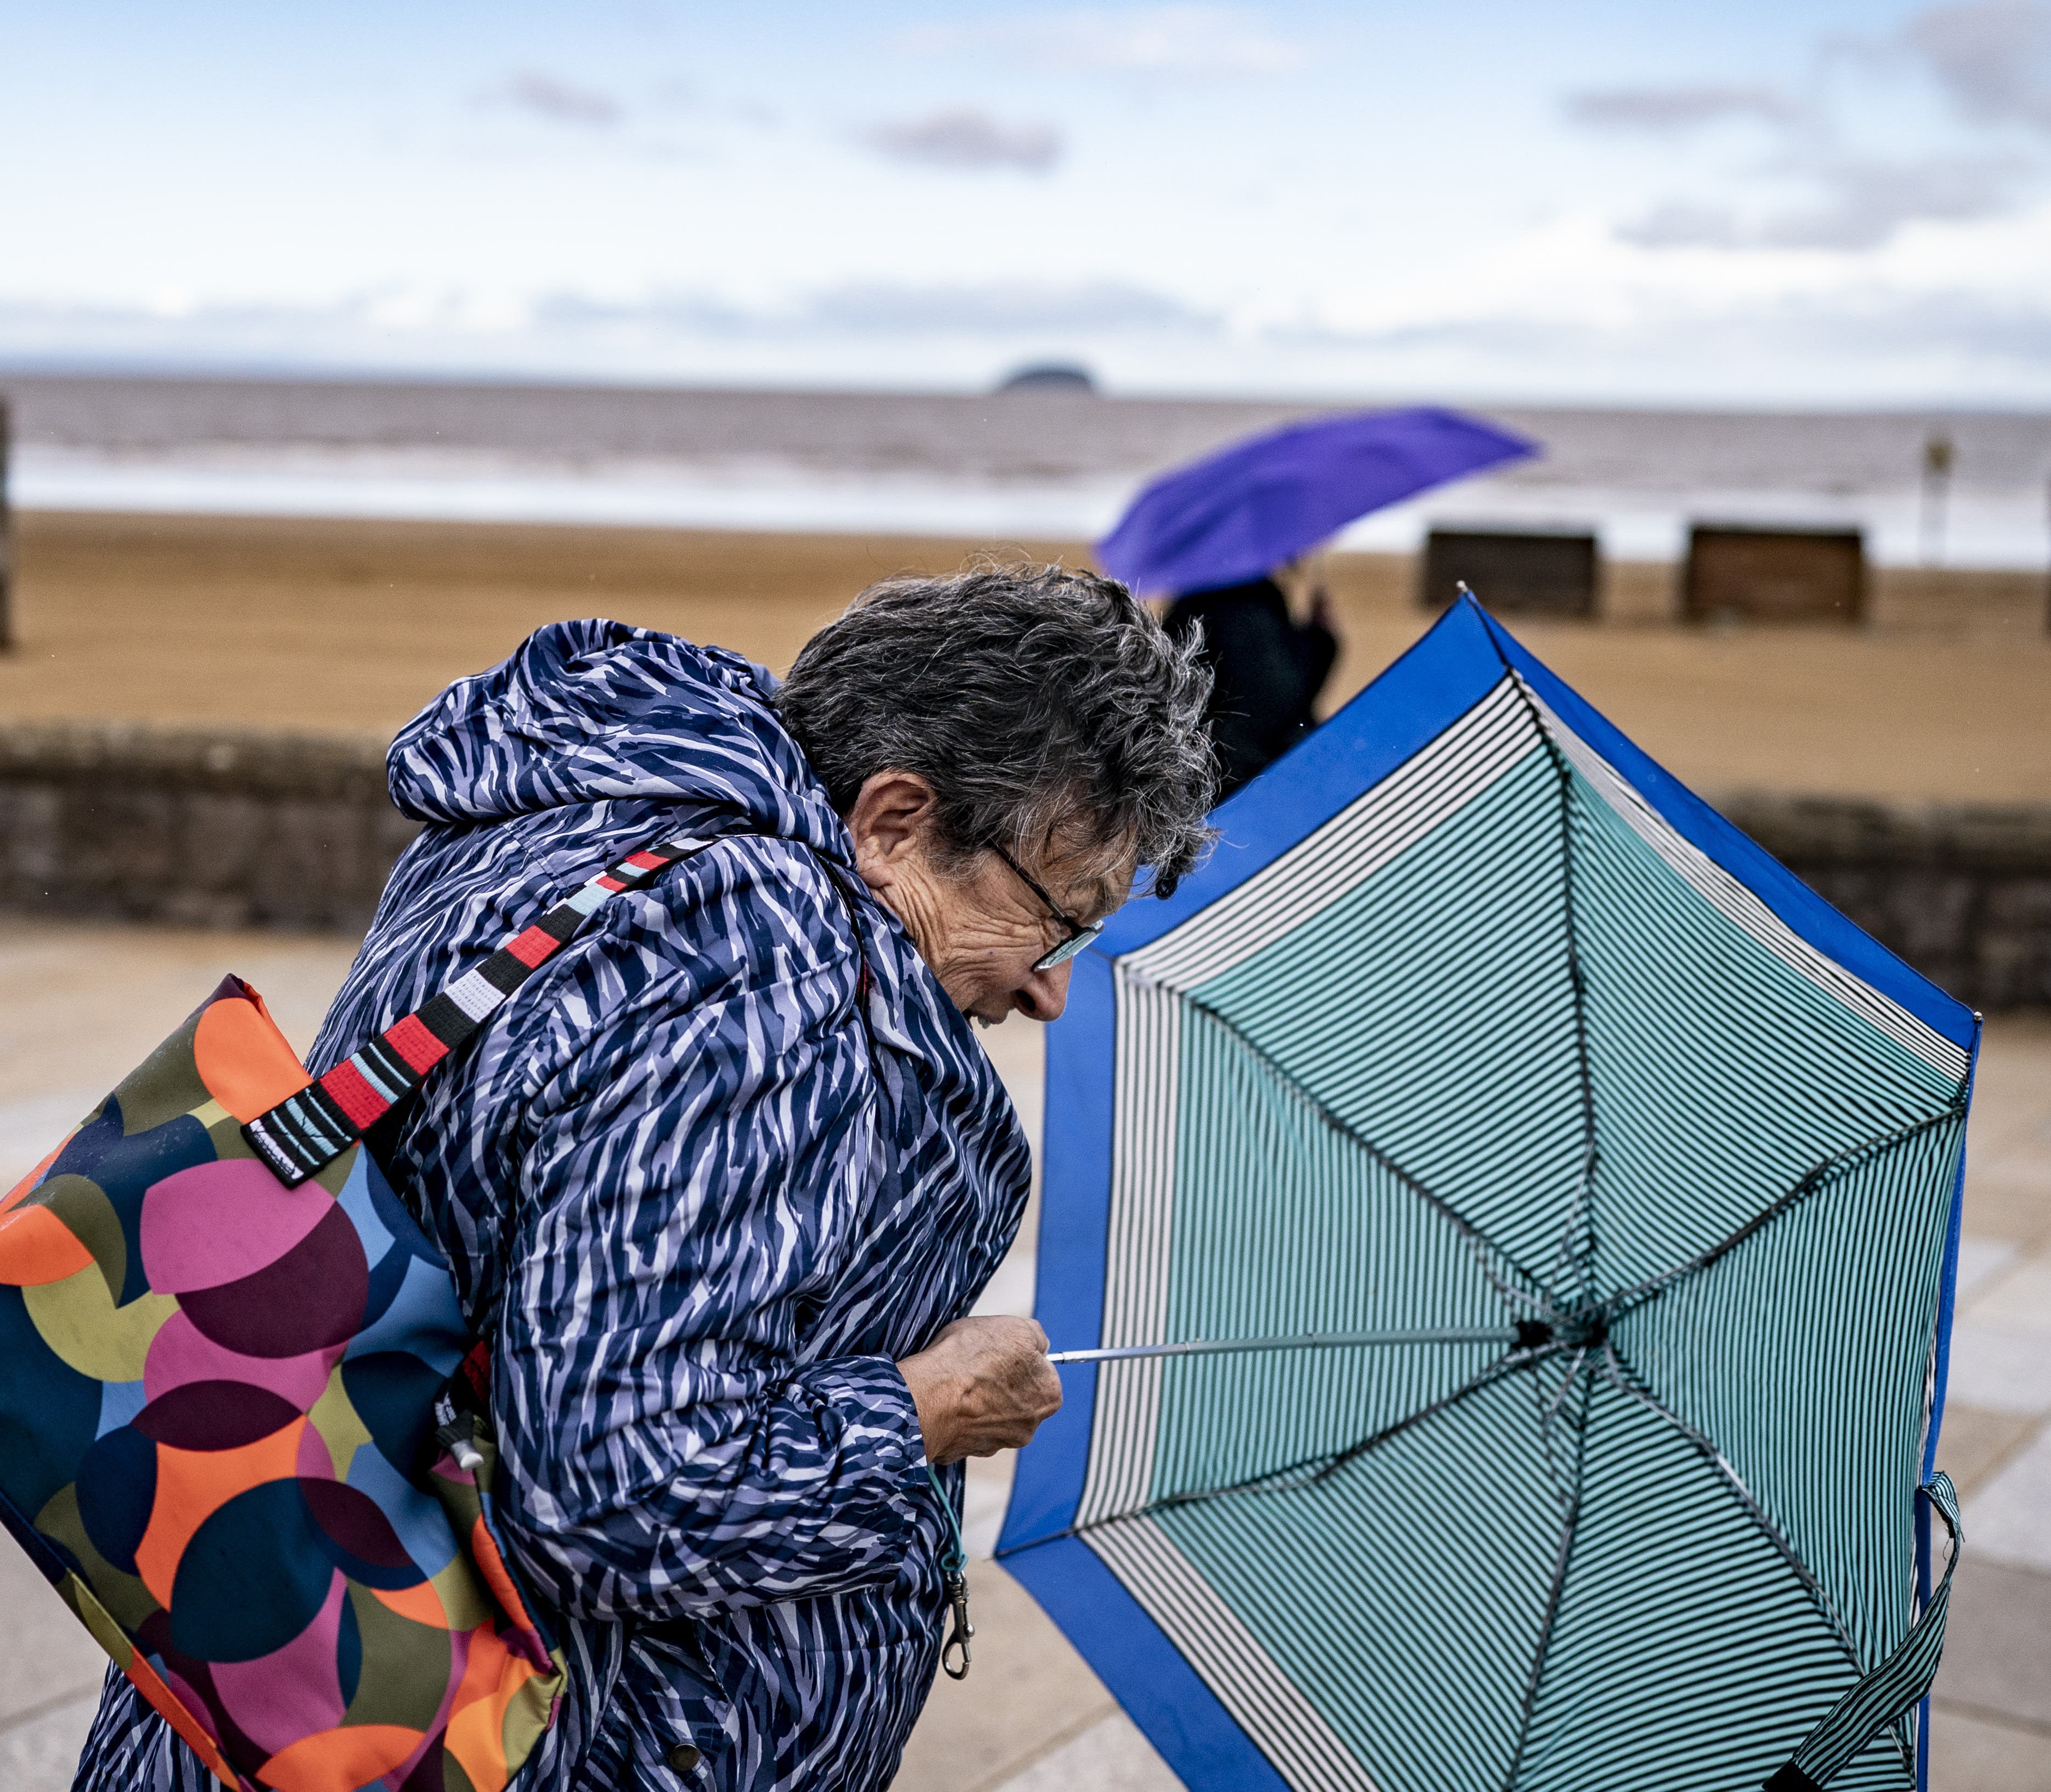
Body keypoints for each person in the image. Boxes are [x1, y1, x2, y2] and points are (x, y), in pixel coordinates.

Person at [72, 563, 1217, 1792]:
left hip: (281, 1676)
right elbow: (625, 1492)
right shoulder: (755, 974)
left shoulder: (599, 811)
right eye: (1056, 915)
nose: (1047, 987)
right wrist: (923, 1406)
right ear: (892, 818)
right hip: (509, 1740)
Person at [1161, 553, 1340, 798]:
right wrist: (1322, 640)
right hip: (1264, 771)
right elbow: (1280, 693)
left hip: (1211, 776)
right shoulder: (1255, 602)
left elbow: (1167, 683)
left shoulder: (1191, 602)